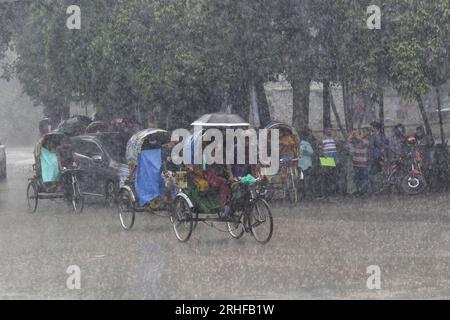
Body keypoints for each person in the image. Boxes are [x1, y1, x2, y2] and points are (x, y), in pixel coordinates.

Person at [347, 128, 371, 195]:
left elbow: (366, 143)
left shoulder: (366, 139)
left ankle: (367, 191)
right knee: (357, 179)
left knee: (365, 178)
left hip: (363, 163)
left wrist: (358, 136)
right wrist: (352, 134)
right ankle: (359, 191)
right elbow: (348, 140)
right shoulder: (355, 141)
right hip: (356, 163)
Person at [319, 127, 338, 197]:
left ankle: (332, 192)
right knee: (326, 176)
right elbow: (321, 149)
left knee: (332, 176)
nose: (330, 131)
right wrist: (324, 157)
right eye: (329, 130)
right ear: (325, 131)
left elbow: (337, 145)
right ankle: (325, 193)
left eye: (331, 130)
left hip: (333, 159)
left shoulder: (333, 139)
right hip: (327, 159)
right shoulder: (323, 139)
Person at [298, 129, 315, 199]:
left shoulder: (299, 144)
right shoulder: (307, 144)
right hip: (307, 164)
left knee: (301, 179)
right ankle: (308, 194)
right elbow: (311, 152)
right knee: (308, 179)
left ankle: (302, 194)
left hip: (300, 164)